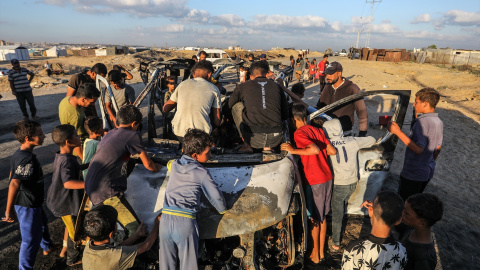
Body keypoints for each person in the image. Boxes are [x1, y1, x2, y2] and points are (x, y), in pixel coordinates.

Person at [85, 105, 161, 237]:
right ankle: (132, 254)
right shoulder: (132, 135)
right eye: (137, 125)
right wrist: (158, 167)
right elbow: (149, 165)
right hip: (107, 193)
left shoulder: (110, 133)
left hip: (92, 188)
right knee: (134, 228)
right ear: (134, 123)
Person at [159, 129, 226, 270]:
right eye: (208, 152)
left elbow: (169, 164)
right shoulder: (201, 172)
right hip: (185, 223)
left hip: (165, 222)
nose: (211, 154)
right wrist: (222, 210)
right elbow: (216, 197)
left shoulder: (175, 165)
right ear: (195, 156)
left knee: (166, 266)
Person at [280, 103, 337, 265]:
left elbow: (314, 150)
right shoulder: (318, 130)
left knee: (313, 218)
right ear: (305, 117)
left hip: (314, 180)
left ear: (293, 120)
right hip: (327, 177)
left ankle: (315, 255)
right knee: (322, 216)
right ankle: (321, 253)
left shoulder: (299, 133)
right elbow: (332, 151)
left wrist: (293, 150)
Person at [3, 120, 57, 270]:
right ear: (28, 138)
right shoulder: (27, 158)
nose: (44, 136)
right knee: (30, 240)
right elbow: (14, 182)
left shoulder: (19, 153)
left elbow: (11, 174)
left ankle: (47, 246)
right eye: (39, 134)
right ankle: (25, 268)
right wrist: (9, 210)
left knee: (42, 223)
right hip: (27, 204)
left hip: (33, 201)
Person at [323, 118, 376, 251]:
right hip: (352, 182)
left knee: (337, 214)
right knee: (343, 204)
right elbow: (372, 140)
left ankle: (335, 241)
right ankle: (341, 221)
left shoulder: (326, 144)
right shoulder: (351, 141)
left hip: (338, 184)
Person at [388, 88, 443, 202]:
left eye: (416, 102)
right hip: (427, 172)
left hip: (413, 173)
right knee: (415, 202)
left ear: (425, 103)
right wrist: (427, 162)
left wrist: (397, 132)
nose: (414, 104)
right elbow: (438, 148)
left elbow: (419, 150)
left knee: (405, 203)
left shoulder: (422, 122)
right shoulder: (438, 121)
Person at [46, 124, 86, 266]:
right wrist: (89, 184)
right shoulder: (66, 161)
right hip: (64, 204)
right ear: (68, 141)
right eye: (76, 135)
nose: (79, 136)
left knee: (71, 228)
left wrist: (88, 165)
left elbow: (74, 169)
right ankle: (72, 259)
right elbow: (68, 183)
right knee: (75, 233)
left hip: (60, 200)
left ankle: (66, 252)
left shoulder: (63, 156)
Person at [228, 60, 289, 153]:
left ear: (251, 74)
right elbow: (285, 114)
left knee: (236, 106)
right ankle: (268, 148)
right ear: (267, 73)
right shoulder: (276, 86)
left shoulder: (243, 86)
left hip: (253, 139)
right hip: (276, 138)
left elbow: (229, 104)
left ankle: (247, 146)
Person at [342, 191, 407, 270]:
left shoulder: (354, 249)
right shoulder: (402, 250)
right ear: (399, 220)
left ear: (370, 211)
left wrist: (376, 207)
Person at [82, 205, 161, 270]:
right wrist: (157, 223)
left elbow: (117, 248)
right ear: (111, 234)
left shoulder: (89, 246)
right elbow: (146, 245)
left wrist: (137, 235)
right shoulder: (115, 257)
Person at [163, 60, 222, 143]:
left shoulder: (182, 84)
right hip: (201, 134)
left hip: (179, 132)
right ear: (209, 74)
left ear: (194, 74)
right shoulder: (214, 89)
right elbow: (217, 120)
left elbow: (165, 108)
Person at [315, 61, 368, 136]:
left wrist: (362, 133)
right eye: (326, 74)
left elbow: (362, 112)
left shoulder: (352, 88)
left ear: (339, 73)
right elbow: (319, 107)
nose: (327, 77)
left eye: (330, 74)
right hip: (327, 130)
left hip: (344, 132)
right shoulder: (327, 87)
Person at [401, 193, 443, 270]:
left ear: (421, 223)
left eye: (406, 213)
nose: (402, 213)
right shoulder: (412, 228)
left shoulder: (424, 258)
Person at [59, 83, 100, 159]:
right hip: (79, 152)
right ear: (83, 99)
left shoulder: (66, 100)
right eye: (91, 102)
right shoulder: (76, 116)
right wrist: (84, 160)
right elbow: (77, 140)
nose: (93, 104)